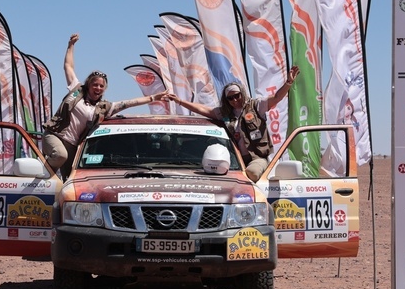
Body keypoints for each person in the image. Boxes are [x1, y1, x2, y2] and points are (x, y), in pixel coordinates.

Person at [42, 33, 165, 179]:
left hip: (74, 145)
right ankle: (40, 173)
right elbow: (68, 66)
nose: (98, 88)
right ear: (88, 85)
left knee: (70, 179)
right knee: (60, 155)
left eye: (101, 86)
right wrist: (71, 46)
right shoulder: (76, 90)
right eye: (95, 84)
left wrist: (152, 98)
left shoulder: (104, 107)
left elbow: (129, 103)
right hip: (55, 135)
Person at [164, 66, 300, 181]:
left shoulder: (256, 106)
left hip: (257, 157)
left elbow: (276, 97)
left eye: (237, 95)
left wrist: (288, 82)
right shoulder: (224, 113)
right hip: (234, 160)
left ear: (242, 94)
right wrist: (180, 102)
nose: (235, 100)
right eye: (230, 98)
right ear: (226, 100)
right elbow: (203, 109)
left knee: (252, 173)